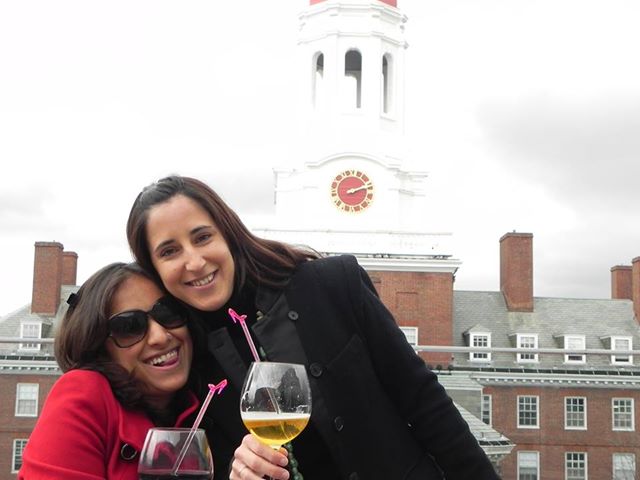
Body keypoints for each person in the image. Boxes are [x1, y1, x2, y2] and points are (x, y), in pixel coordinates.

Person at [126, 175, 501, 480]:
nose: (194, 262)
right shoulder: (184, 357)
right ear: (153, 268)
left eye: (202, 237)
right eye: (169, 251)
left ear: (228, 233)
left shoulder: (332, 285)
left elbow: (425, 402)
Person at [19, 262, 201, 480]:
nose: (160, 337)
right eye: (129, 327)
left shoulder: (205, 400)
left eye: (167, 312)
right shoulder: (84, 394)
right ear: (98, 346)